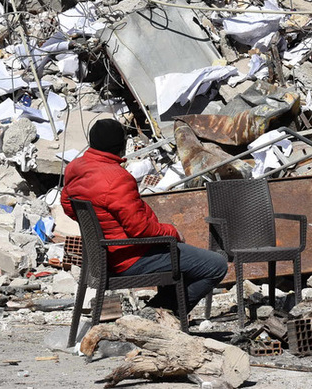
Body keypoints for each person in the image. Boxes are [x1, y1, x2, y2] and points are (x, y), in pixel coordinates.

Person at [61, 118, 228, 316]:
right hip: (129, 258)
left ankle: (158, 312)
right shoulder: (116, 178)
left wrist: (102, 226)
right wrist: (172, 232)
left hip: (104, 256)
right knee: (216, 265)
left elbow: (67, 205)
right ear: (121, 146)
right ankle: (161, 315)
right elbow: (139, 229)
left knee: (180, 255)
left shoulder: (76, 168)